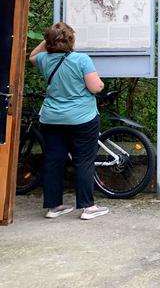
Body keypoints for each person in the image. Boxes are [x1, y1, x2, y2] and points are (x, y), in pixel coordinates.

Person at [28, 23, 109, 220]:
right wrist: (100, 83)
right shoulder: (81, 59)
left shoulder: (43, 59)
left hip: (51, 118)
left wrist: (48, 40)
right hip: (82, 118)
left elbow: (31, 56)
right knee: (84, 161)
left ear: (49, 42)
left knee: (54, 160)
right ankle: (88, 207)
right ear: (71, 40)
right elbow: (96, 87)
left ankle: (54, 206)